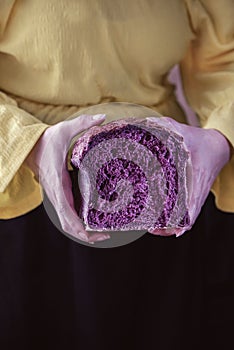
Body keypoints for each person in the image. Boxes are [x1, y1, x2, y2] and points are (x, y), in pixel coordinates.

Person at [0, 1, 234, 349]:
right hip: (23, 192)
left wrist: (221, 137)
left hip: (166, 189)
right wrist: (26, 143)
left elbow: (226, 60)